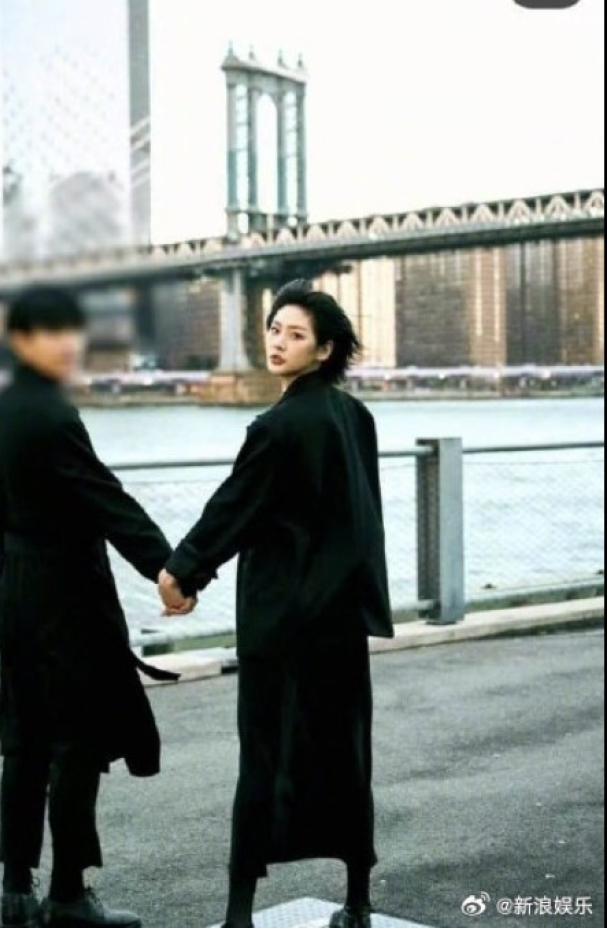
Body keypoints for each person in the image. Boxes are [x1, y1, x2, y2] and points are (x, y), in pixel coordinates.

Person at [159, 280, 395, 928]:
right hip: (339, 622)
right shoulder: (356, 418)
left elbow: (236, 508)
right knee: (346, 758)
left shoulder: (277, 427)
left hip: (280, 627)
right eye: (274, 329)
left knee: (263, 761)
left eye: (296, 335)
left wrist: (183, 572)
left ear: (324, 350)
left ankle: (239, 914)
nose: (279, 342)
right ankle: (357, 901)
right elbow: (365, 517)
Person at [0, 285, 198, 928]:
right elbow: (106, 499)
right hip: (64, 593)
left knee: (25, 736)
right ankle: (69, 894)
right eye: (52, 332)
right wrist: (169, 568)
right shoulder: (52, 414)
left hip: (14, 586)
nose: (68, 344)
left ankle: (16, 890)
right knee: (76, 740)